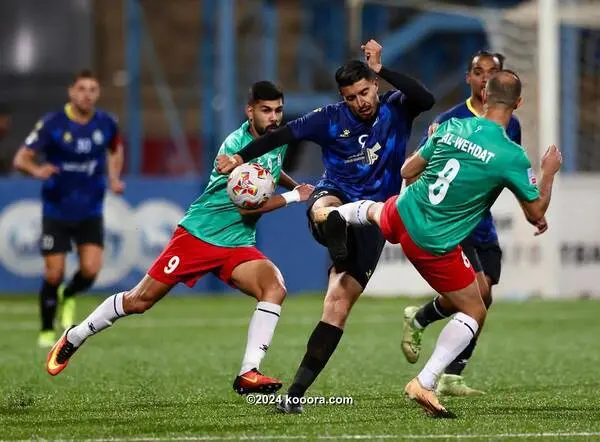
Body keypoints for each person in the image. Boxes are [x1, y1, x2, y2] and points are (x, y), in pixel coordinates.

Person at [311, 70, 561, 417]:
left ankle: (331, 214)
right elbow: (535, 211)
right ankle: (425, 382)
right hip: (432, 241)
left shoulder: (450, 127)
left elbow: (407, 170)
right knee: (475, 309)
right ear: (518, 103)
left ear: (485, 97)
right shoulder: (511, 156)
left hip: (402, 212)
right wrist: (548, 172)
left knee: (375, 211)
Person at [45, 81, 315, 397]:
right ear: (249, 110)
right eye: (266, 111)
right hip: (199, 236)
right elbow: (249, 205)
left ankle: (248, 373)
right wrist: (295, 197)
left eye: (278, 110)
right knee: (138, 301)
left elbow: (270, 172)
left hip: (236, 242)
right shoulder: (234, 146)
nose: (274, 117)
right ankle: (75, 336)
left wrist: (295, 185)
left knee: (274, 288)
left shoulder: (276, 139)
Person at [216, 40, 435, 412]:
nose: (360, 102)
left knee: (336, 307)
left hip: (373, 219)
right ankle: (332, 223)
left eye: (365, 92)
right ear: (342, 98)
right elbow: (281, 136)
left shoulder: (398, 108)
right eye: (351, 97)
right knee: (325, 206)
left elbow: (425, 98)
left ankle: (294, 397)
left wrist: (382, 69)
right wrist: (240, 155)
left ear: (375, 86)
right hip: (338, 194)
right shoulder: (329, 117)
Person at [401, 51, 524, 396]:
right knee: (478, 291)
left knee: (484, 299)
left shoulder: (511, 123)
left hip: (480, 221)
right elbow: (417, 168)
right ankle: (436, 372)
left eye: (492, 73)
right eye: (478, 72)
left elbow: (507, 171)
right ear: (468, 78)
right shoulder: (450, 120)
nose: (484, 79)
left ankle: (446, 364)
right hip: (451, 222)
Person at [12, 70, 125, 348]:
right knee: (53, 273)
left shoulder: (106, 123)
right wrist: (37, 170)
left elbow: (116, 149)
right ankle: (46, 329)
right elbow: (21, 159)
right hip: (57, 210)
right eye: (82, 89)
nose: (87, 95)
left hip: (90, 209)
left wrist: (113, 177)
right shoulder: (53, 124)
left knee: (90, 271)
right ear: (71, 92)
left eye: (93, 89)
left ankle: (69, 294)